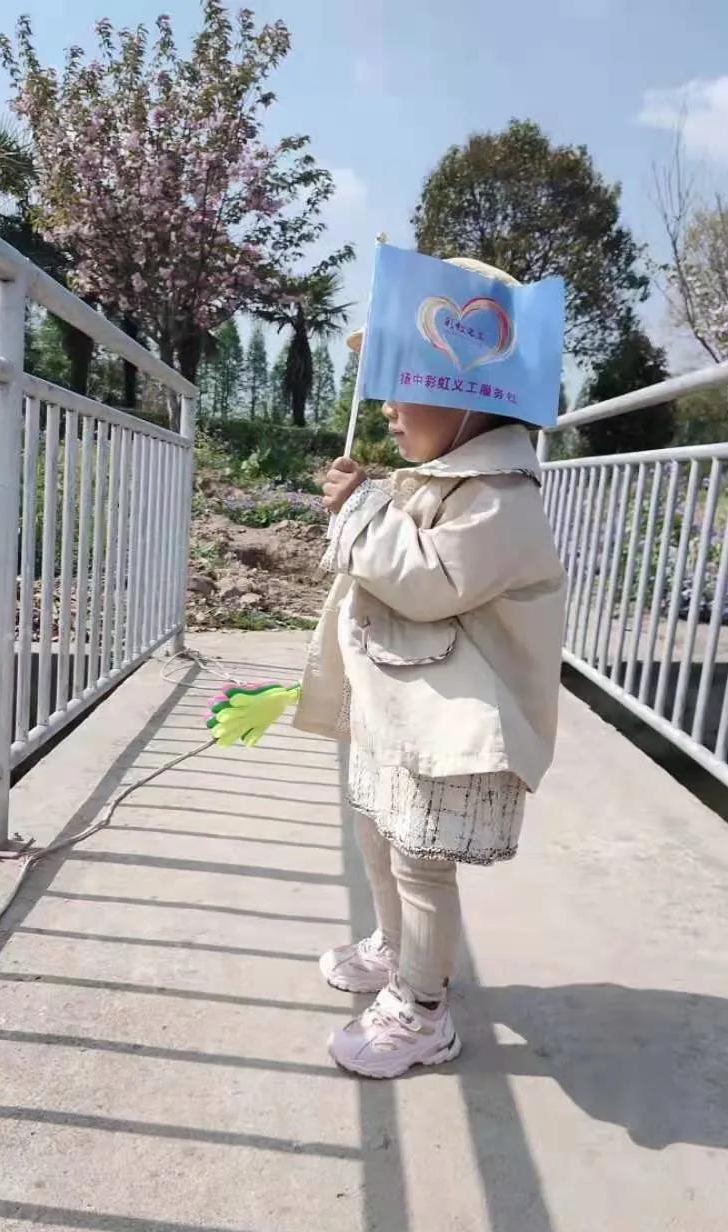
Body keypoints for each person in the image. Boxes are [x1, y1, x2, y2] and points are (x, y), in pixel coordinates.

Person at [293, 257, 567, 1079]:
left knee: (420, 858)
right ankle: (394, 946)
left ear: (468, 391)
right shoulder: (443, 478)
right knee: (376, 829)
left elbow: (426, 582)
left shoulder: (501, 497)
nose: (385, 405)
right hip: (402, 705)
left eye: (403, 383)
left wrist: (362, 508)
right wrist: (368, 503)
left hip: (451, 719)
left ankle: (423, 1009)